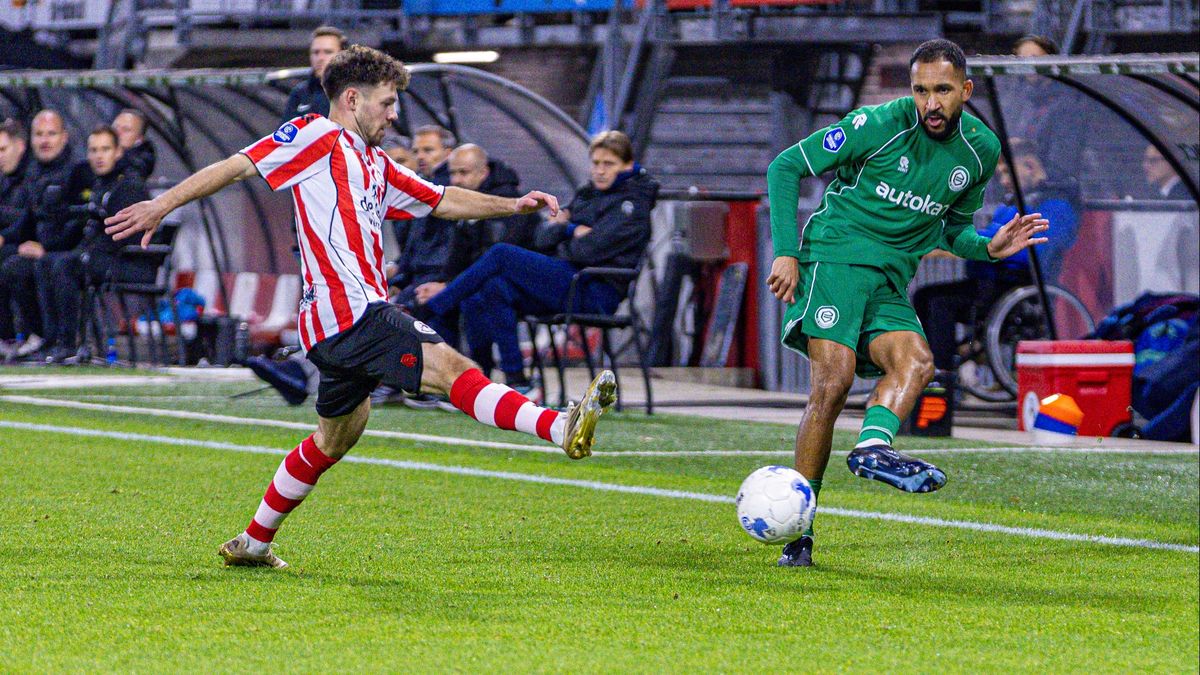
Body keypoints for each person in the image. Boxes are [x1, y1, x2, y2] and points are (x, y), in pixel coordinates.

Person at [104, 44, 618, 569]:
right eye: (388, 103)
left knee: (333, 438)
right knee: (451, 366)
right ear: (352, 98)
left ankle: (255, 541)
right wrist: (161, 204)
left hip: (340, 322)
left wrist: (511, 204)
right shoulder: (314, 136)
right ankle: (558, 426)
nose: (394, 115)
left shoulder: (373, 163)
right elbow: (236, 167)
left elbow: (441, 200)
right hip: (348, 310)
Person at [765, 39, 1049, 568]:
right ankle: (799, 533)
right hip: (837, 256)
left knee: (917, 362)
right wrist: (786, 254)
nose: (930, 104)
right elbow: (785, 167)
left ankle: (873, 447)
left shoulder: (980, 151)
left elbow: (955, 229)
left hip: (891, 278)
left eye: (942, 91)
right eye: (920, 90)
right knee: (834, 382)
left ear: (965, 90)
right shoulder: (876, 124)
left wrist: (988, 246)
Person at [420, 130, 656, 390]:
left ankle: (433, 308)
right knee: (492, 287)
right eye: (596, 163)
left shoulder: (632, 206)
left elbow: (587, 251)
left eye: (608, 164)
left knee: (502, 254)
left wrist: (565, 229)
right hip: (568, 280)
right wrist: (568, 230)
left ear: (628, 165)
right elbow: (542, 237)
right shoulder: (588, 194)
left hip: (595, 290)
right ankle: (511, 381)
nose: (600, 170)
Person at [913, 138, 1079, 371]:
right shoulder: (1018, 204)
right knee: (924, 296)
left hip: (1013, 289)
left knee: (940, 303)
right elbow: (993, 234)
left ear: (1030, 166)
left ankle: (943, 375)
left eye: (1007, 173)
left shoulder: (1057, 207)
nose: (1002, 181)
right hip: (989, 283)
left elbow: (1028, 251)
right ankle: (938, 365)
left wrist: (968, 247)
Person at [37, 125, 153, 363]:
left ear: (118, 152)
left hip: (128, 262)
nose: (99, 156)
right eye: (94, 150)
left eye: (105, 149)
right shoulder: (98, 184)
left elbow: (125, 234)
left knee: (65, 266)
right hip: (102, 258)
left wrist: (95, 225)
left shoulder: (129, 184)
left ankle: (69, 344)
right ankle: (49, 339)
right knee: (46, 263)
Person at [0, 110, 87, 361]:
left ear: (64, 137)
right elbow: (28, 218)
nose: (44, 140)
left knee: (20, 268)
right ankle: (30, 336)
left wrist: (48, 248)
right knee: (10, 261)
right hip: (41, 250)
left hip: (66, 252)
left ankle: (52, 339)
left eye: (51, 134)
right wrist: (7, 238)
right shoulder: (34, 172)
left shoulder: (77, 171)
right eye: (39, 134)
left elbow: (77, 221)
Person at [0, 119, 35, 360]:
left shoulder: (31, 178)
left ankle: (12, 336)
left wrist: (4, 237)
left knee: (9, 267)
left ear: (20, 146)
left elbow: (26, 220)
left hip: (29, 248)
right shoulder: (5, 181)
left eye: (2, 149)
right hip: (12, 246)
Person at [280, 26, 345, 122]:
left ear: (343, 55)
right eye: (315, 52)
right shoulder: (299, 93)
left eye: (328, 52)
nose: (320, 58)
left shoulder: (354, 92)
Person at [112, 108, 156, 180]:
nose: (117, 133)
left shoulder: (141, 162)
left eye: (126, 130)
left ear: (139, 139)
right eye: (115, 127)